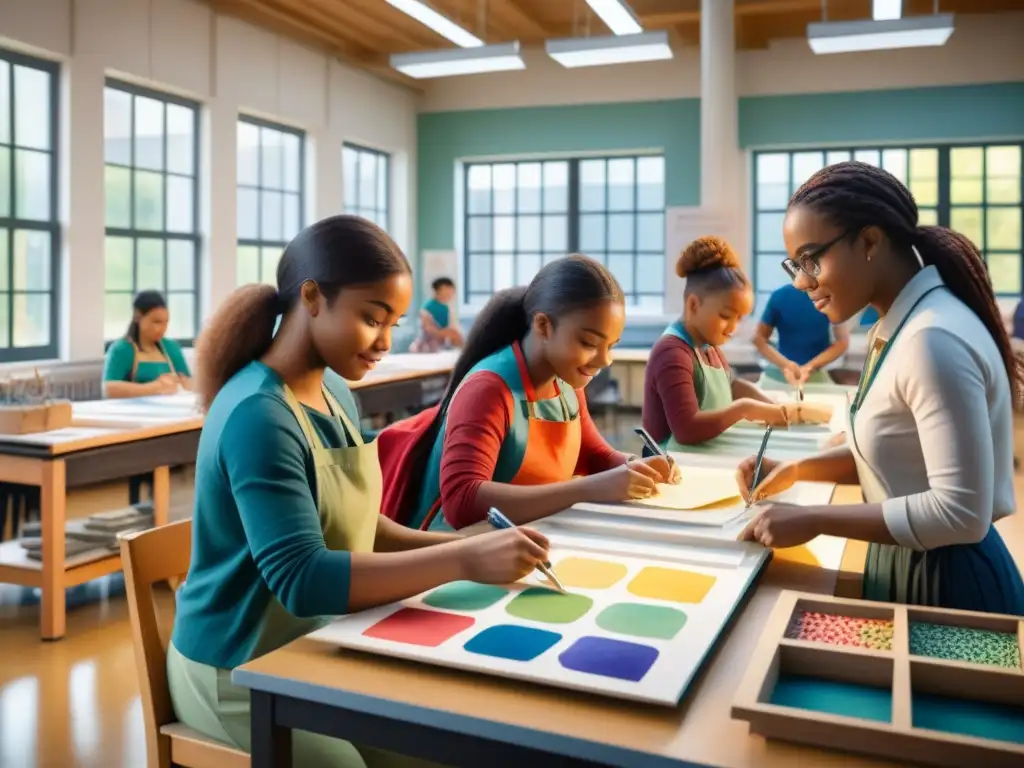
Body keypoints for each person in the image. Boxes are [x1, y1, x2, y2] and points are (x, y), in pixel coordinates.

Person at [167, 215, 550, 767]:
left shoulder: (334, 392)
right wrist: (464, 557)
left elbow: (365, 526)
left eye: (393, 322)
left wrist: (472, 552)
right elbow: (302, 580)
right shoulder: (259, 412)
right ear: (313, 298)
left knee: (441, 747)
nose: (385, 343)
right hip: (237, 665)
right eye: (373, 319)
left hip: (316, 641)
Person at [737, 161, 1024, 615]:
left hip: (948, 583)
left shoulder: (932, 338)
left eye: (811, 259)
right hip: (911, 562)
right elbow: (900, 454)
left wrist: (814, 518)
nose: (800, 280)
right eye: (796, 264)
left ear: (870, 241)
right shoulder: (899, 325)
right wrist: (796, 470)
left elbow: (960, 514)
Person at [378, 254, 679, 532]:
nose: (604, 360)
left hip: (525, 535)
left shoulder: (565, 382)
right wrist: (589, 488)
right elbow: (463, 501)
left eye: (611, 346)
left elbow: (592, 454)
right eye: (589, 343)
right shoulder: (489, 389)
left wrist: (632, 466)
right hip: (458, 552)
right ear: (544, 326)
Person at [641, 236, 789, 452]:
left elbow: (732, 385)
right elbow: (686, 429)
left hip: (700, 454)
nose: (733, 328)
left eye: (739, 319)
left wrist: (772, 406)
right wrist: (744, 409)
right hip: (666, 462)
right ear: (693, 304)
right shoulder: (672, 353)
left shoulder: (708, 345)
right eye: (726, 315)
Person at [754, 282, 850, 386]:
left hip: (816, 375)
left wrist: (810, 367)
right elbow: (759, 339)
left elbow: (842, 342)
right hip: (781, 374)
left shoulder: (830, 297)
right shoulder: (779, 296)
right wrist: (786, 365)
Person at [102, 290, 191, 398]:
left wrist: (184, 383)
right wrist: (155, 387)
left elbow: (187, 382)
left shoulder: (172, 348)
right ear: (138, 317)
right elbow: (109, 389)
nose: (162, 328)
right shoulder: (122, 349)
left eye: (165, 322)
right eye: (156, 322)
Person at [408, 277, 464, 353]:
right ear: (437, 291)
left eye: (451, 291)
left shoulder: (447, 308)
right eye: (446, 290)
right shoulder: (428, 307)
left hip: (443, 341)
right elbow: (428, 328)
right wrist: (447, 333)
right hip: (428, 341)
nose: (449, 294)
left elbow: (453, 327)